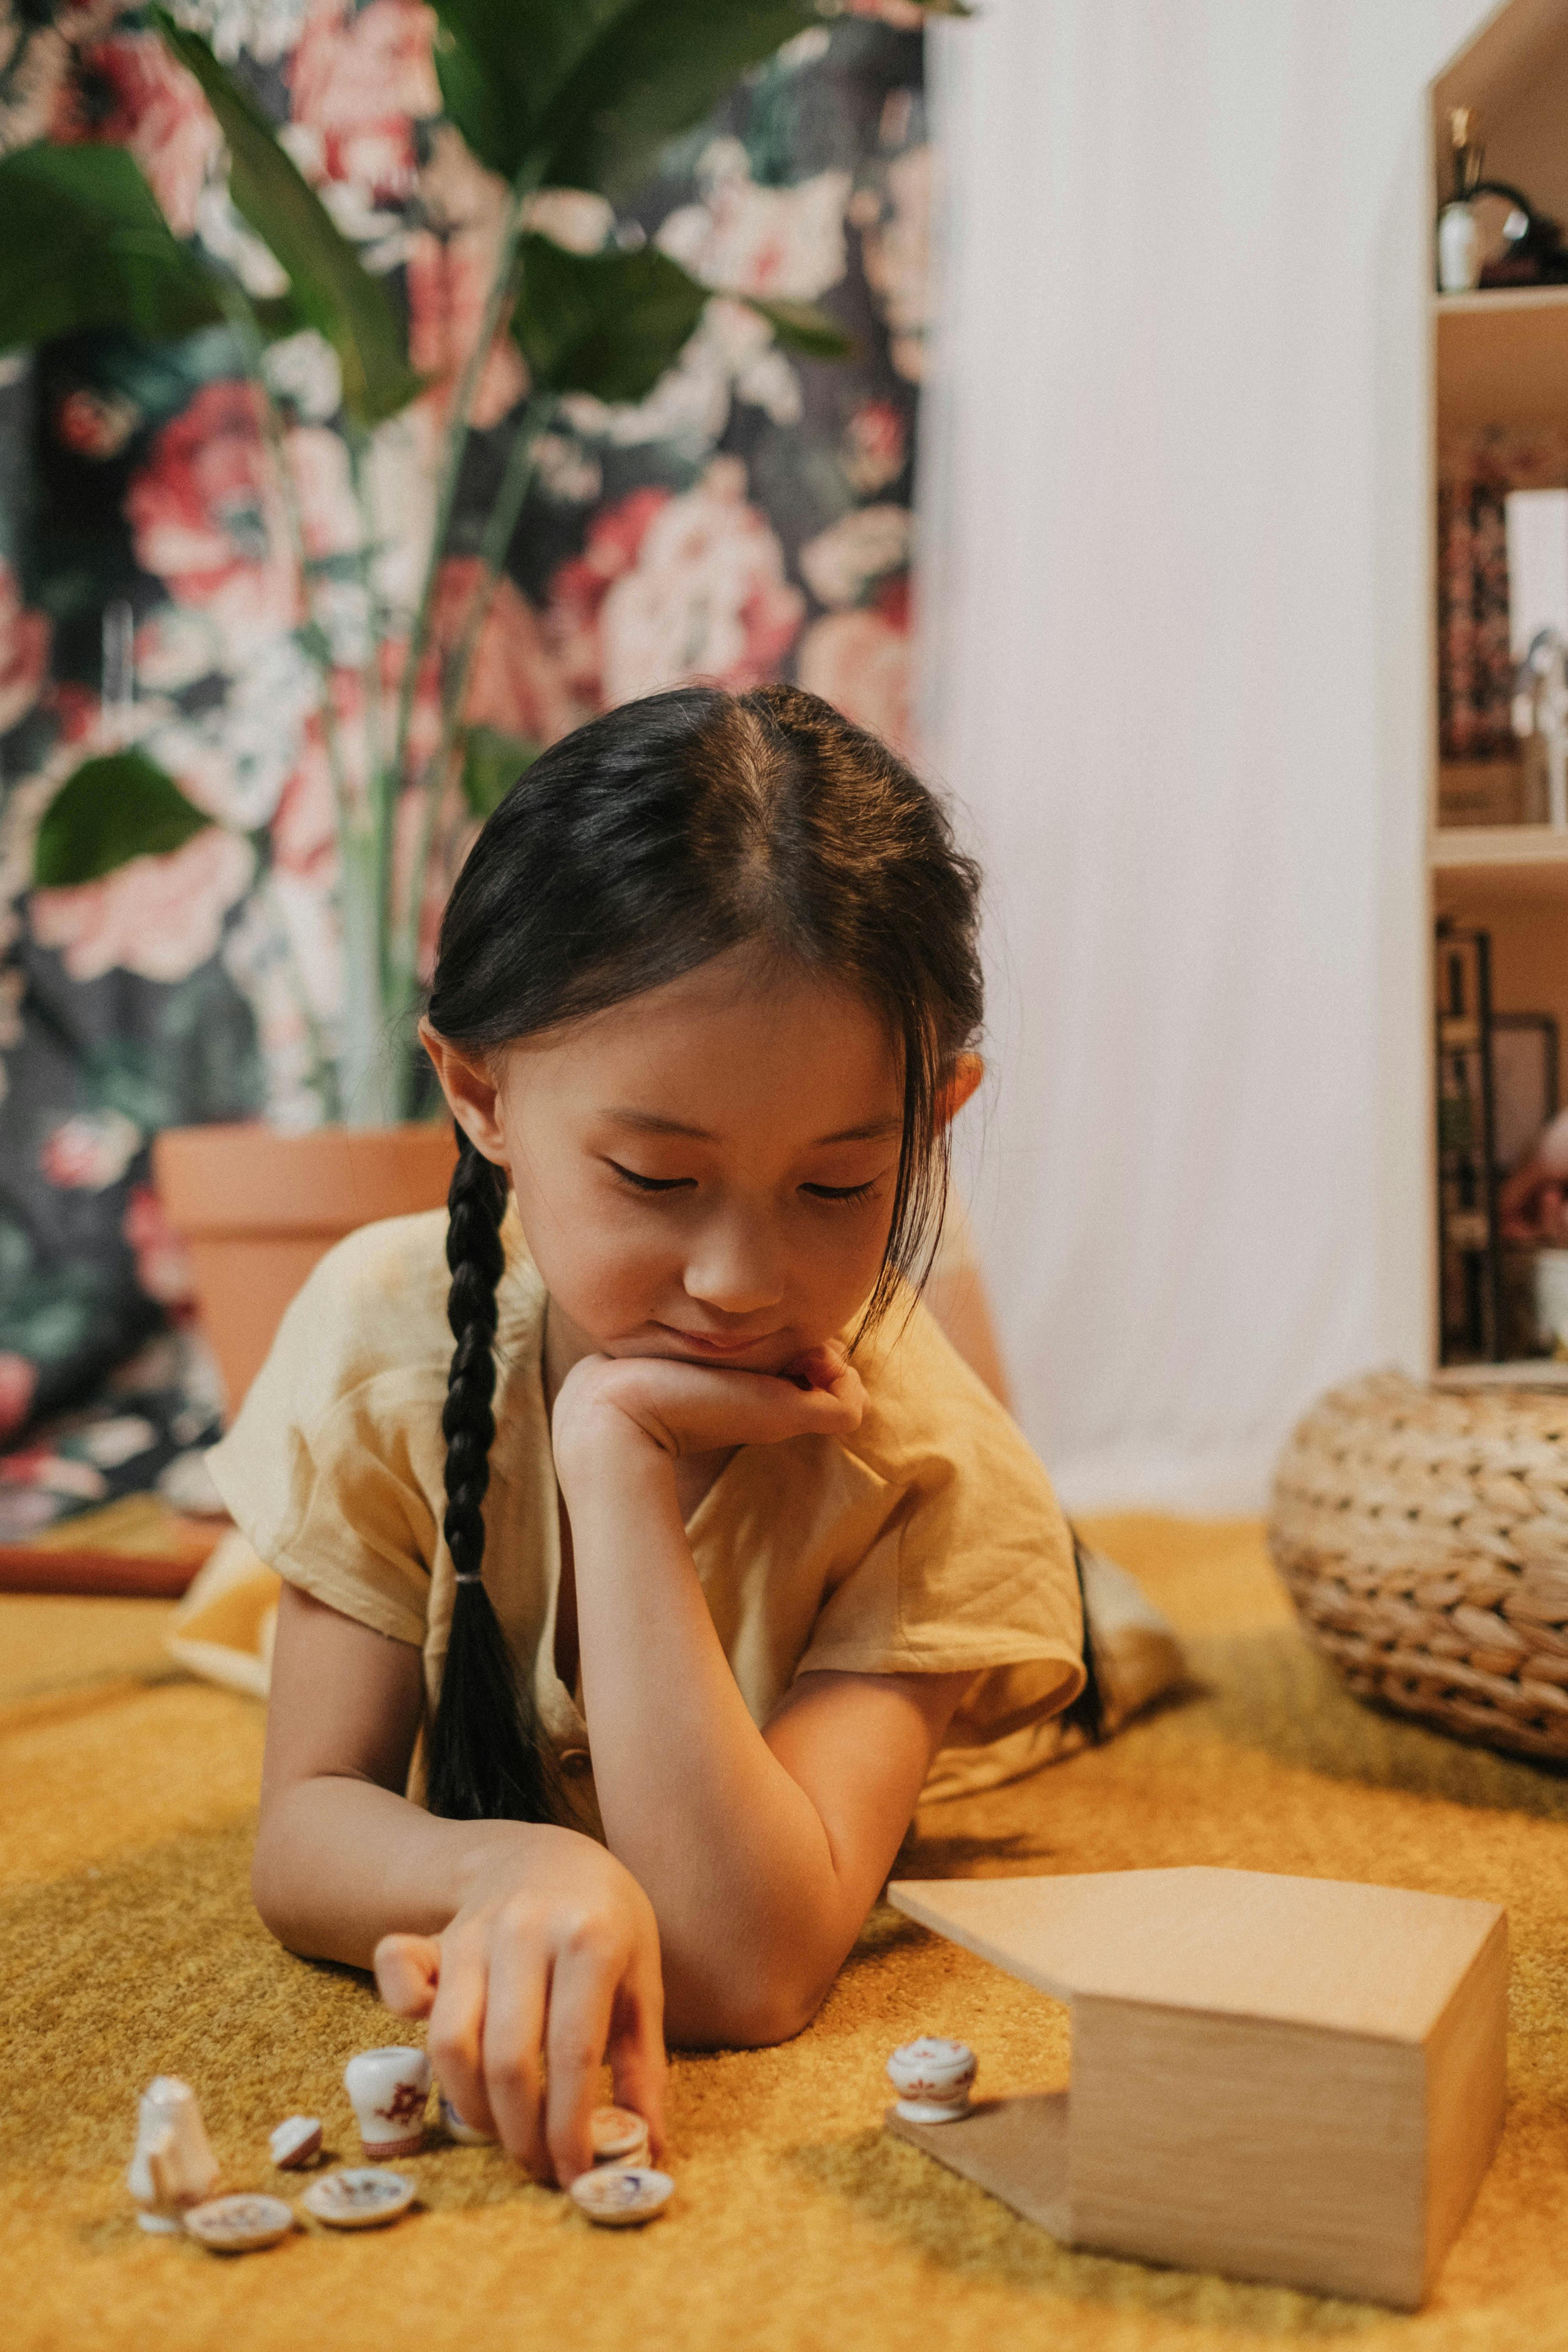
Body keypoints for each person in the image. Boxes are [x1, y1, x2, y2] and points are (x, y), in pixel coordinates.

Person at [208, 683, 1085, 2194]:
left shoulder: (929, 1472)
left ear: (932, 1123)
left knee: (1085, 1568)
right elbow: (305, 1825)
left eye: (833, 1189)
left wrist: (610, 1448)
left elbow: (744, 1965)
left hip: (934, 1517)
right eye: (653, 1178)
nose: (740, 1281)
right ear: (480, 1092)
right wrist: (515, 1858)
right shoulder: (384, 1338)